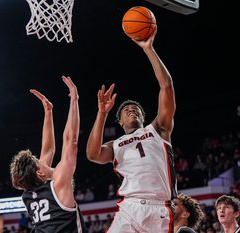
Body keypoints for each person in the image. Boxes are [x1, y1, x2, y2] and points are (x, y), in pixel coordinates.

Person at [86, 26, 177, 233]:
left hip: (159, 209)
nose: (132, 110)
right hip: (129, 207)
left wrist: (148, 49)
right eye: (127, 110)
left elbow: (166, 87)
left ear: (144, 117)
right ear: (120, 121)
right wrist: (102, 113)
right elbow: (92, 154)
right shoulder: (115, 145)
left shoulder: (158, 130)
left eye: (136, 109)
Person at [10, 76, 85, 233]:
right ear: (40, 172)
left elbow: (48, 149)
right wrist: (74, 99)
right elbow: (71, 140)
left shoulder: (28, 195)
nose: (42, 158)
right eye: (39, 161)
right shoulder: (58, 184)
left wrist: (48, 112)